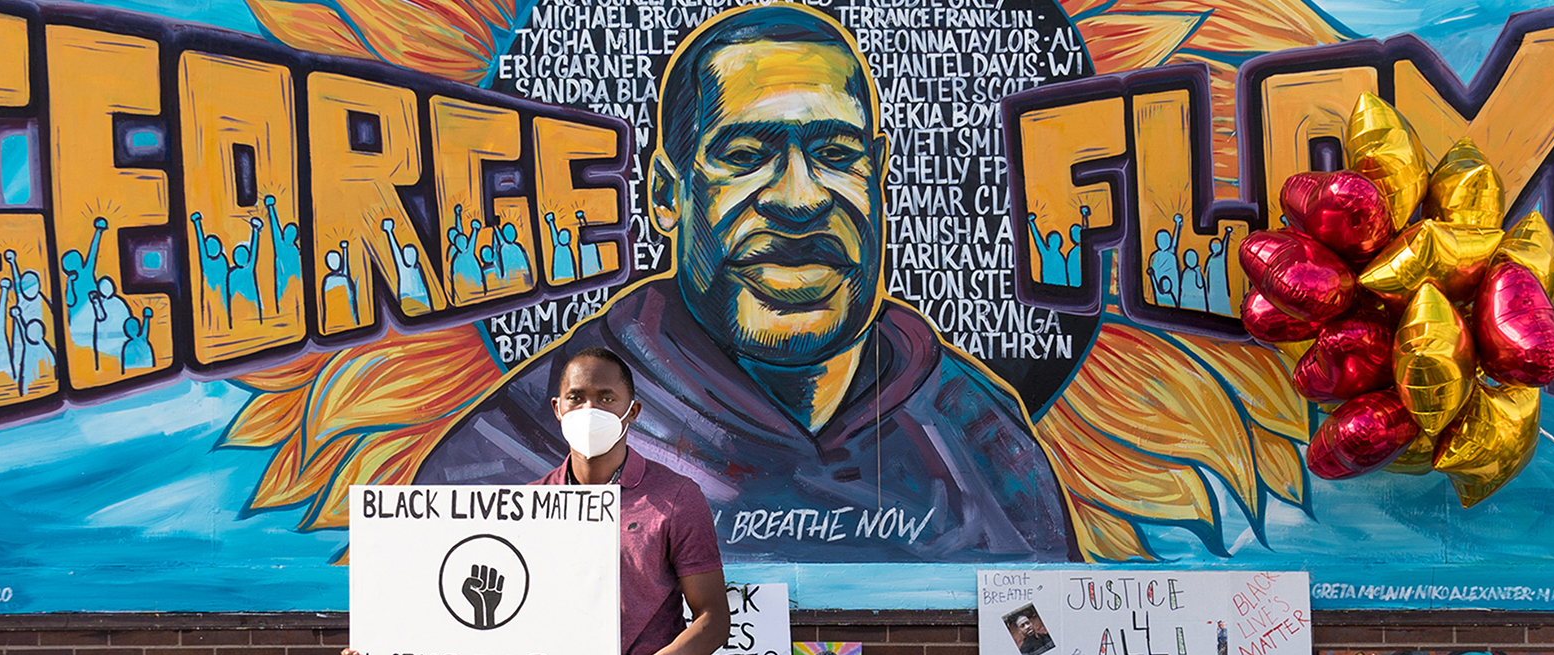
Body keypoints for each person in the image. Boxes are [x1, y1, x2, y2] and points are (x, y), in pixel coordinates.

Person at [417, 3, 1071, 564]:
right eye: (744, 156)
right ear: (667, 194)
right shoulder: (520, 449)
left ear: (878, 175)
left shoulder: (981, 439)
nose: (798, 198)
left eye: (837, 155)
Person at [344, 347, 731, 655]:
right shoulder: (526, 508)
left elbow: (713, 618)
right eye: (577, 397)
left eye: (606, 398)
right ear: (558, 409)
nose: (590, 409)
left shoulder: (676, 497)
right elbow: (461, 614)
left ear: (632, 411)